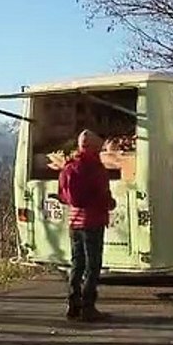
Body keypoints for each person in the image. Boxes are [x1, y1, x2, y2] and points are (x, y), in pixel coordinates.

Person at [58, 129, 116, 323]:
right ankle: (88, 307)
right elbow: (102, 196)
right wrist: (110, 203)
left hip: (74, 223)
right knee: (93, 266)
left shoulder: (69, 167)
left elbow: (63, 196)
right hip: (93, 222)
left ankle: (73, 305)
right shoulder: (96, 168)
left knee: (77, 263)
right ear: (93, 147)